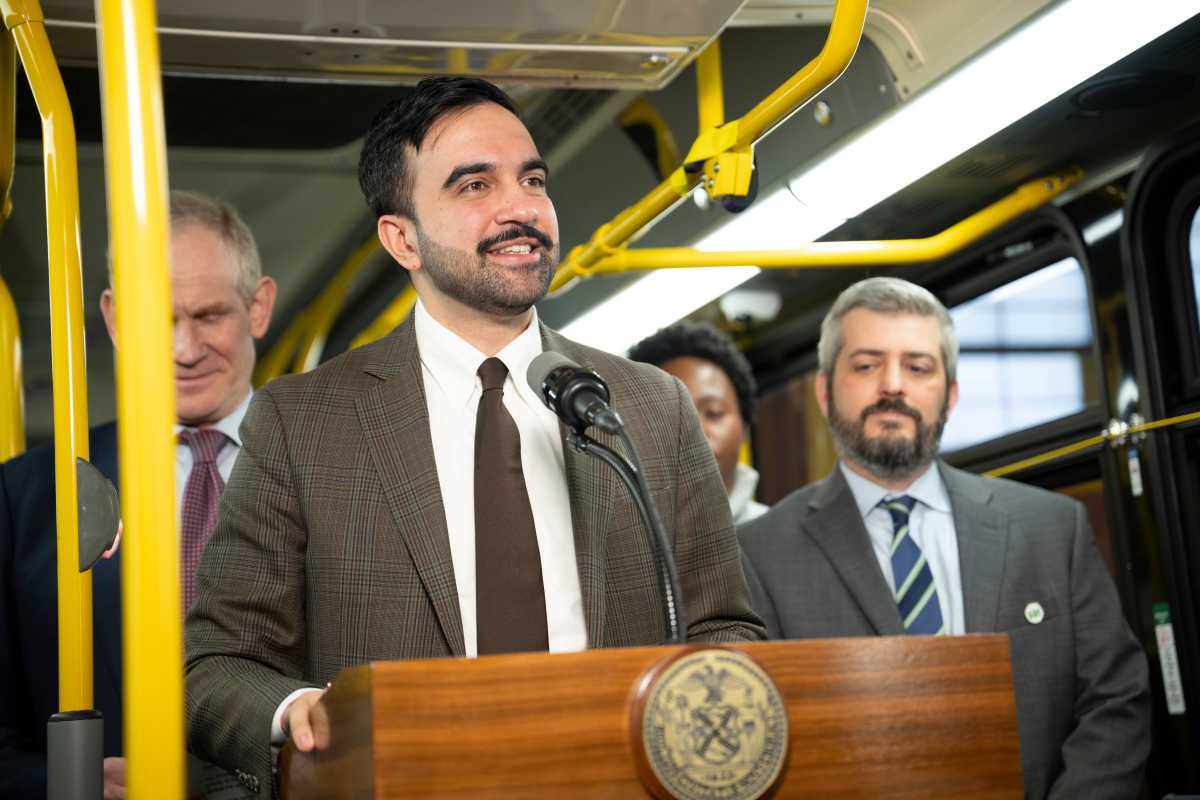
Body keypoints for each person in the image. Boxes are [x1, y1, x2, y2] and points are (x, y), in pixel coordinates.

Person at [184, 76, 764, 793]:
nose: (520, 208)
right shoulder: (302, 424)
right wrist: (302, 710)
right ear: (402, 239)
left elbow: (726, 633)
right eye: (474, 186)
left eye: (532, 180)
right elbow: (217, 666)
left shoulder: (652, 407)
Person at [739, 276, 1150, 798]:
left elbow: (1116, 701)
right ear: (824, 391)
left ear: (950, 394)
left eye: (918, 367)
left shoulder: (1050, 529)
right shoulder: (759, 553)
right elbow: (757, 742)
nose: (893, 384)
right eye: (866, 365)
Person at [0, 190, 277, 799]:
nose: (184, 350)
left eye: (209, 316)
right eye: (158, 319)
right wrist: (64, 782)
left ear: (258, 307)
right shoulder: (24, 499)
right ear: (115, 319)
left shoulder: (342, 468)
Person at [628, 320, 768, 523]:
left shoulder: (782, 536)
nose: (696, 431)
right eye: (673, 415)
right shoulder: (614, 545)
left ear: (744, 428)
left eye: (713, 413)